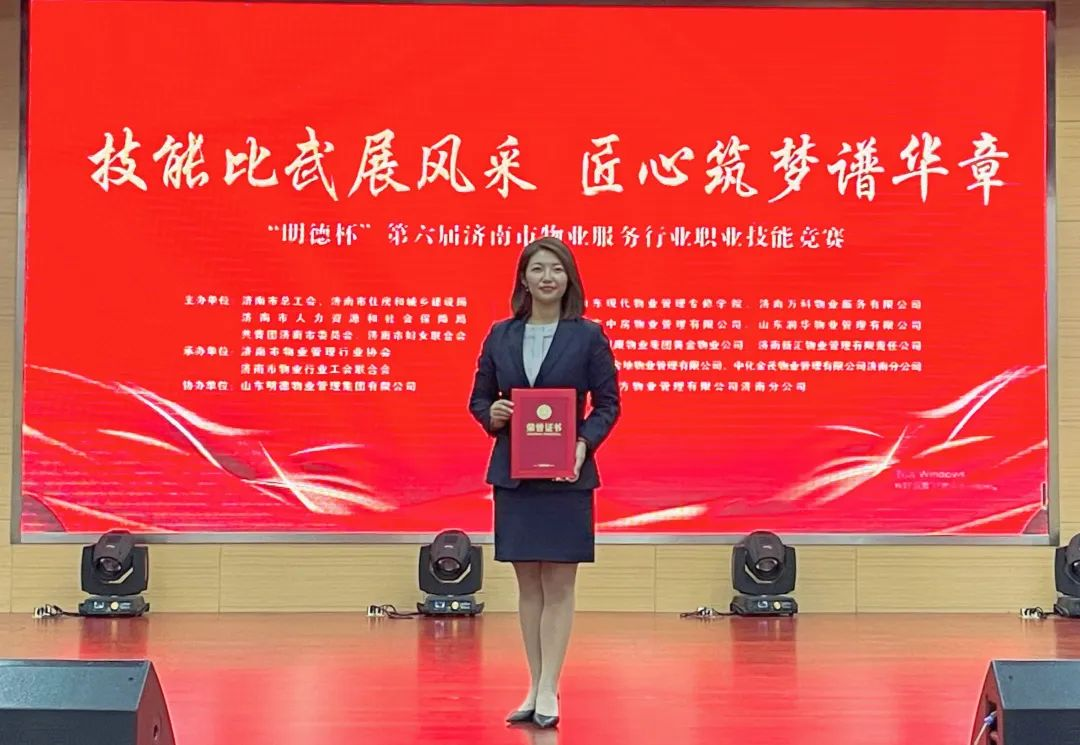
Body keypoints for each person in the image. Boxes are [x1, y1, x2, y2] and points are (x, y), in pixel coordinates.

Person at [468, 236, 621, 729]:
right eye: (537, 269)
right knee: (527, 585)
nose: (547, 277)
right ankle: (533, 685)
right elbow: (479, 399)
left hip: (566, 475)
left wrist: (583, 443)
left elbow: (609, 404)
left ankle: (551, 686)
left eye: (556, 268)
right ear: (524, 278)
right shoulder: (501, 335)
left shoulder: (588, 336)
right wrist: (492, 414)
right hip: (516, 476)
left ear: (569, 278)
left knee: (558, 583)